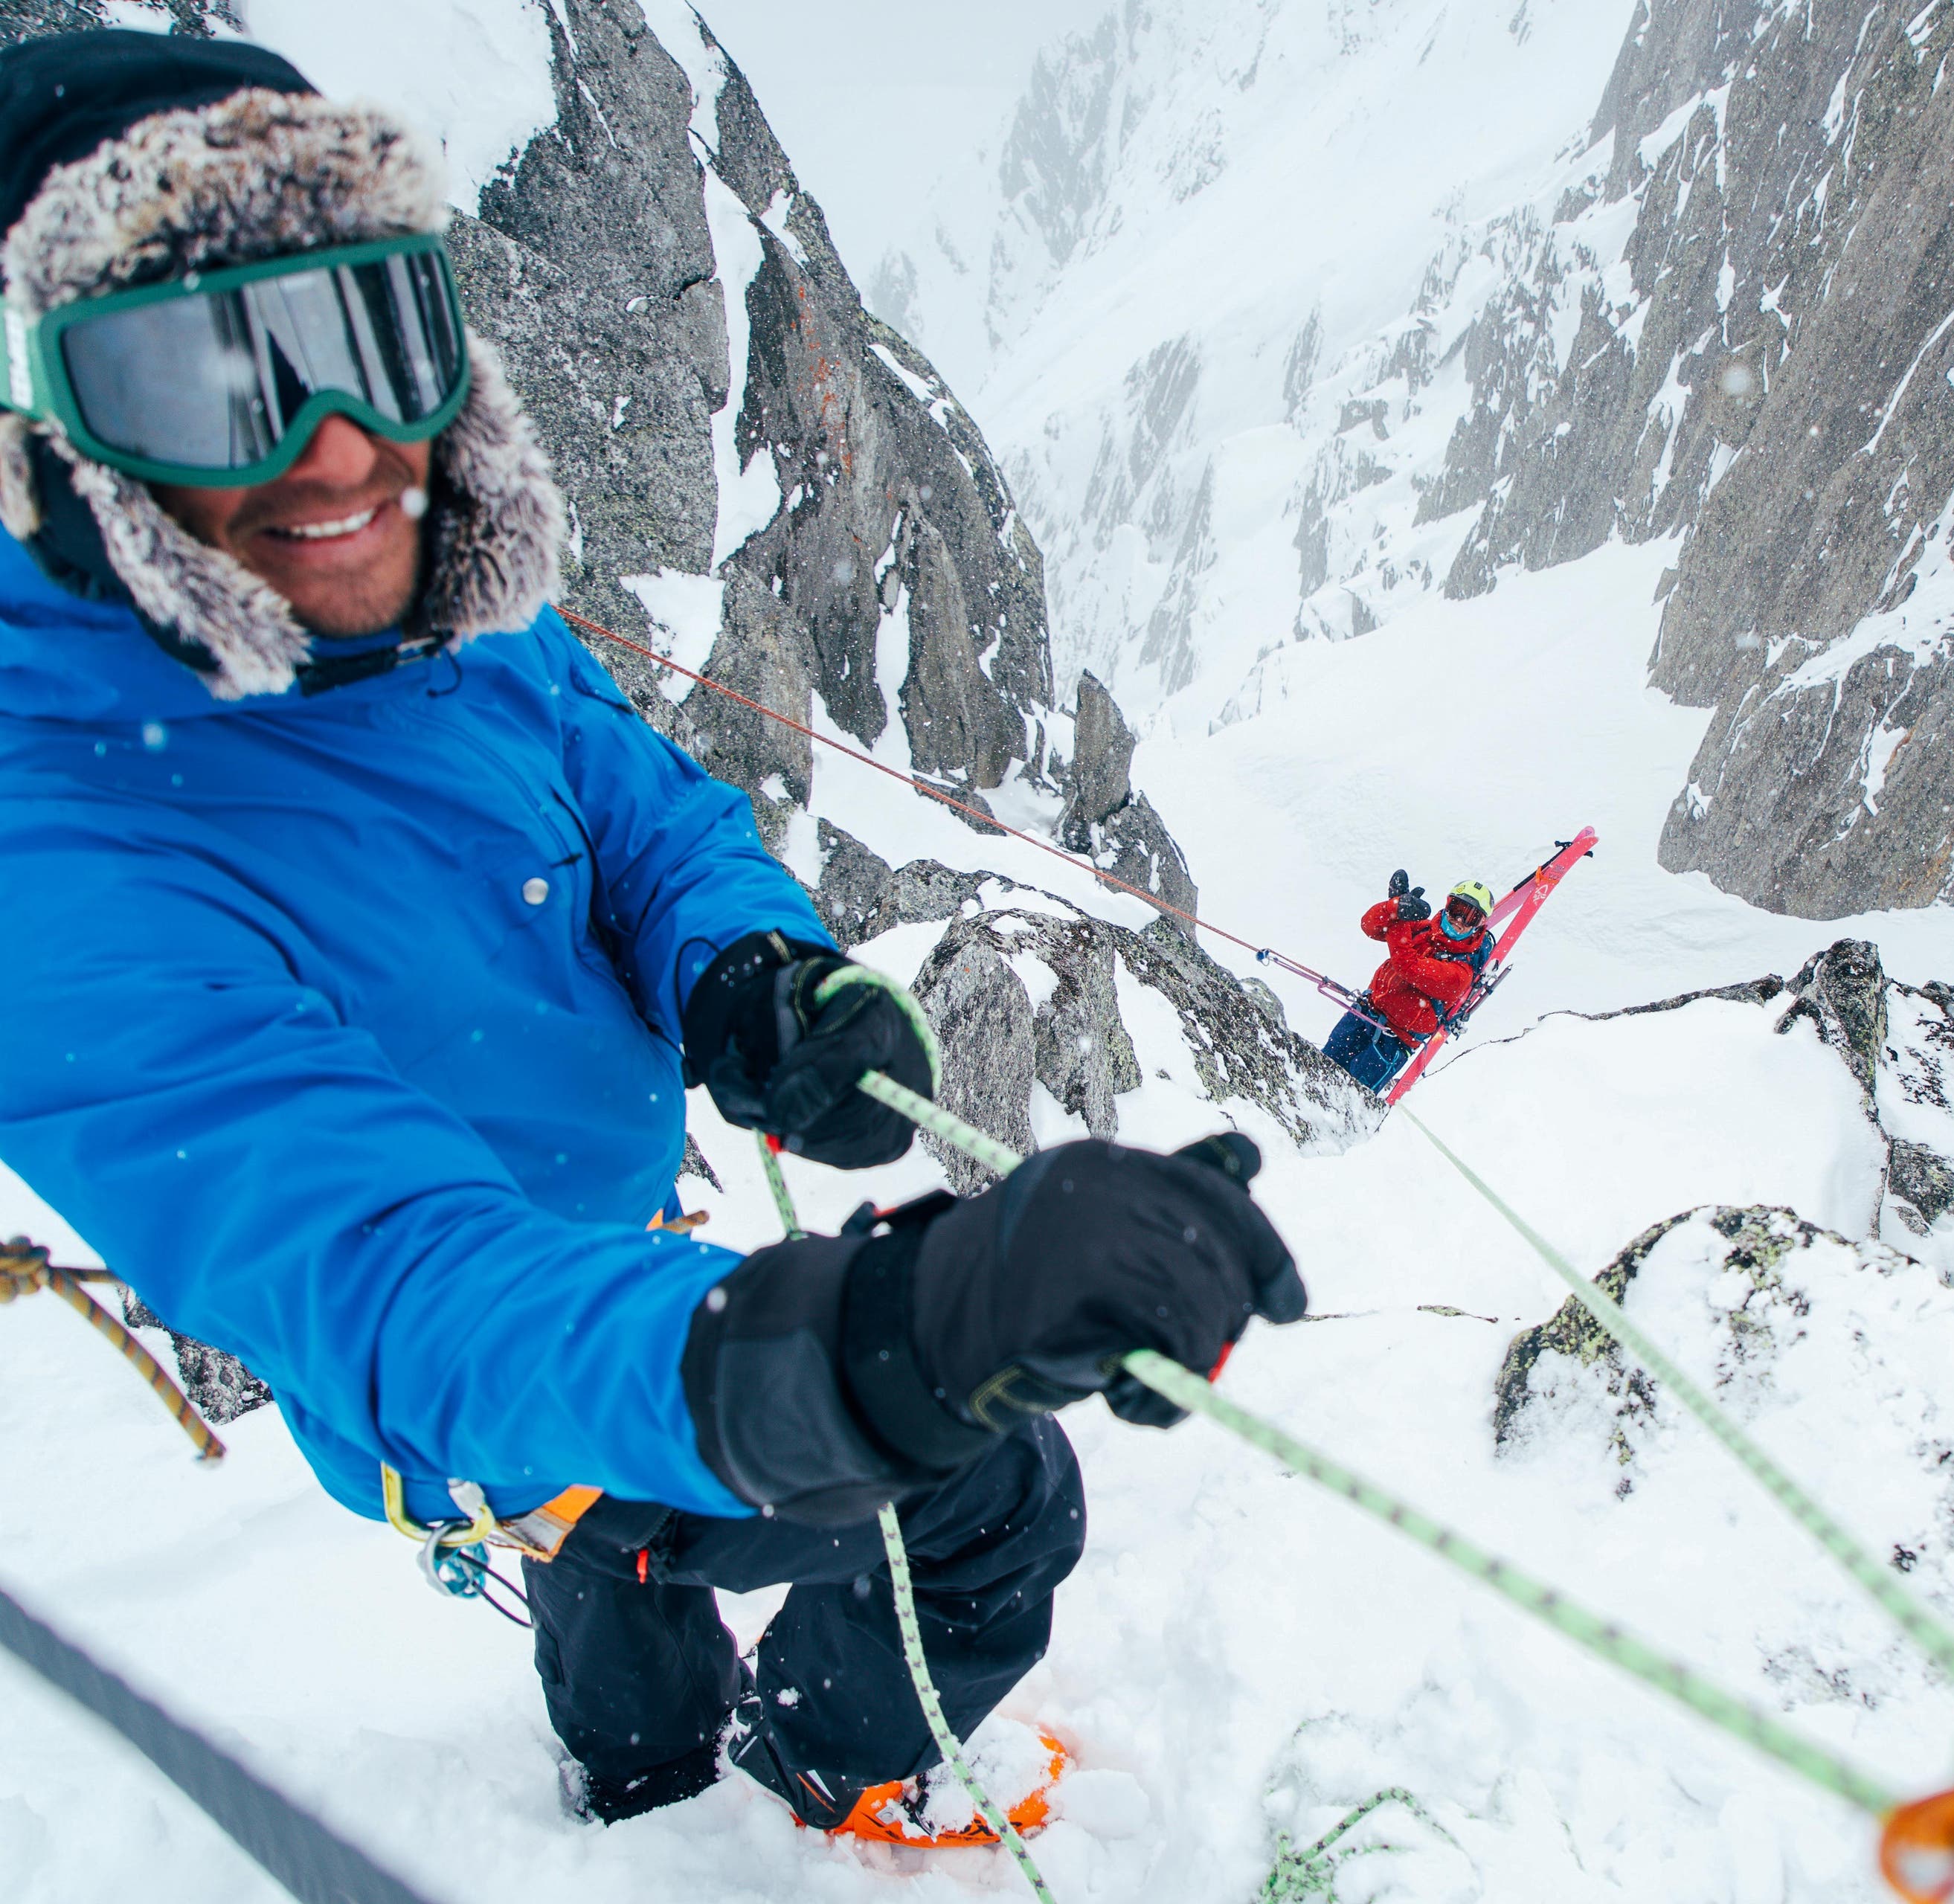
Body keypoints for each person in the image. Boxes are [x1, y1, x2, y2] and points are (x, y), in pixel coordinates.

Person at [0, 30, 1304, 1847]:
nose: (342, 444)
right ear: (45, 438)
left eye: (368, 328)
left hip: (601, 1265)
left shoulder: (436, 604)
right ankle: (829, 1772)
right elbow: (384, 1269)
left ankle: (638, 1786)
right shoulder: (49, 843)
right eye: (198, 378)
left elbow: (632, 806)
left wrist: (747, 970)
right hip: (480, 1365)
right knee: (990, 1495)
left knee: (618, 1553)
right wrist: (870, 1342)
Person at [1321, 871, 1496, 1093]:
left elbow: (1408, 967)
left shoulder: (1460, 973)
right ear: (1448, 904)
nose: (1459, 921)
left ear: (1479, 925)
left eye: (1470, 917)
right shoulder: (1423, 928)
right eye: (1457, 910)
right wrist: (1393, 908)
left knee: (1347, 1098)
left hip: (1391, 1044)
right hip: (1363, 1014)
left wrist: (1400, 918)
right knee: (1318, 1069)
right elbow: (1369, 926)